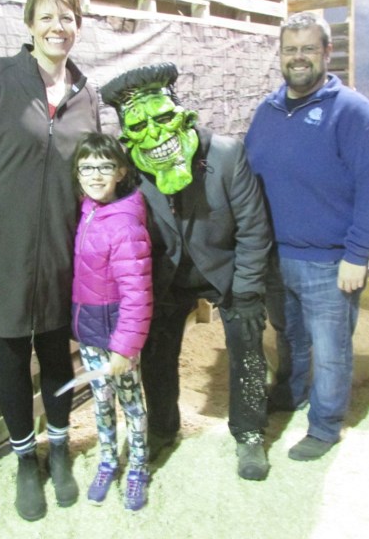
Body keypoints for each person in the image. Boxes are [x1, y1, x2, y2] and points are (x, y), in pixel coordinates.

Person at [0, 0, 100, 521]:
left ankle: (58, 450)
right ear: (30, 22)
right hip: (3, 249)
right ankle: (23, 462)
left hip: (62, 248)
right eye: (48, 16)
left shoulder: (86, 95)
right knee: (10, 354)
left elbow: (96, 176)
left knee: (58, 351)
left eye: (69, 17)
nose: (59, 27)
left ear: (79, 25)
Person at [100, 63, 273, 481]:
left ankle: (249, 432)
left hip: (226, 270)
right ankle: (162, 426)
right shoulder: (131, 170)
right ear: (127, 136)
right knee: (156, 352)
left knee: (248, 343)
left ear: (183, 115)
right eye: (140, 126)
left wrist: (247, 290)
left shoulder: (228, 156)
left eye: (163, 118)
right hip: (166, 276)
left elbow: (253, 227)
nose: (157, 136)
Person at [245, 12, 369, 462]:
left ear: (327, 54)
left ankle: (326, 425)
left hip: (331, 261)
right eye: (290, 49)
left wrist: (358, 252)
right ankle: (291, 393)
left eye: (308, 49)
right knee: (288, 335)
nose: (298, 58)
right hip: (277, 255)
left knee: (331, 349)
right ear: (280, 55)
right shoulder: (268, 110)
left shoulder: (353, 112)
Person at [70, 132, 153, 511]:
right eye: (87, 167)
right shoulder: (88, 210)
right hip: (89, 329)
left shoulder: (125, 224)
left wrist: (124, 346)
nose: (95, 174)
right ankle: (107, 459)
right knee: (100, 400)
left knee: (130, 401)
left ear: (120, 171)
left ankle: (137, 465)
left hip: (117, 333)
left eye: (104, 166)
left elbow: (137, 292)